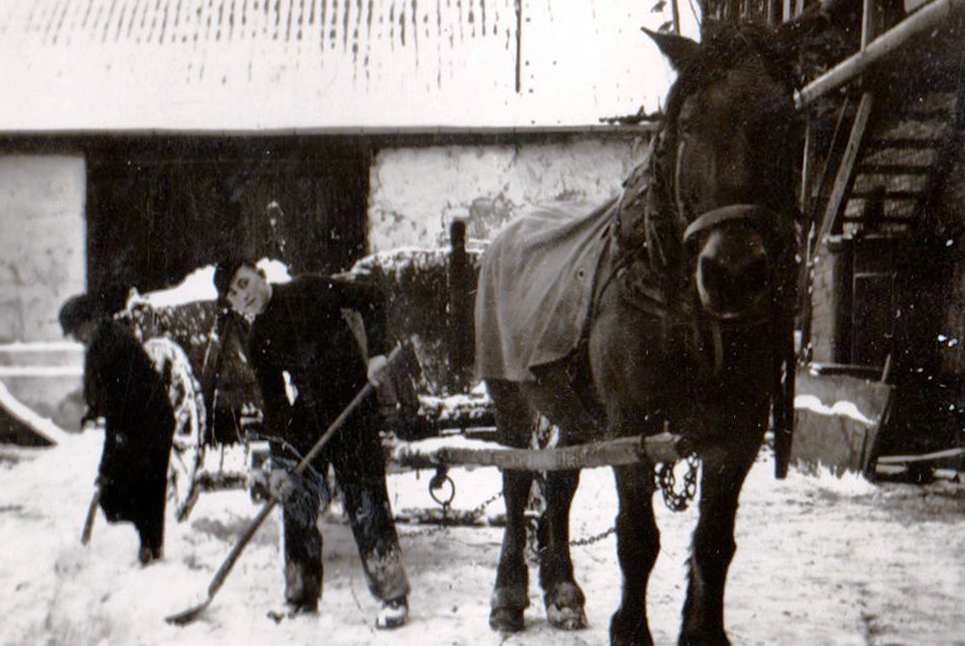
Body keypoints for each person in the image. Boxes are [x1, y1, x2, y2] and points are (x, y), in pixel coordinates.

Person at [213, 257, 410, 628]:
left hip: (353, 402)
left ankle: (393, 596)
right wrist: (281, 462)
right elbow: (275, 405)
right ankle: (301, 595)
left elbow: (371, 298)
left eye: (244, 283)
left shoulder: (308, 288)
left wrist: (377, 353)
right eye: (234, 295)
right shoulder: (258, 340)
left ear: (259, 274)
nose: (244, 296)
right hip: (312, 412)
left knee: (365, 497)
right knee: (295, 494)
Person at [59, 293, 175, 565]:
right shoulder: (101, 341)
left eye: (77, 332)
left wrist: (106, 466)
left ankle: (147, 553)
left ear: (91, 321)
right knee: (122, 493)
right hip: (133, 422)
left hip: (149, 424)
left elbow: (120, 413)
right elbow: (103, 390)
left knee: (140, 489)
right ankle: (141, 551)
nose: (76, 339)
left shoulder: (114, 346)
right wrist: (93, 409)